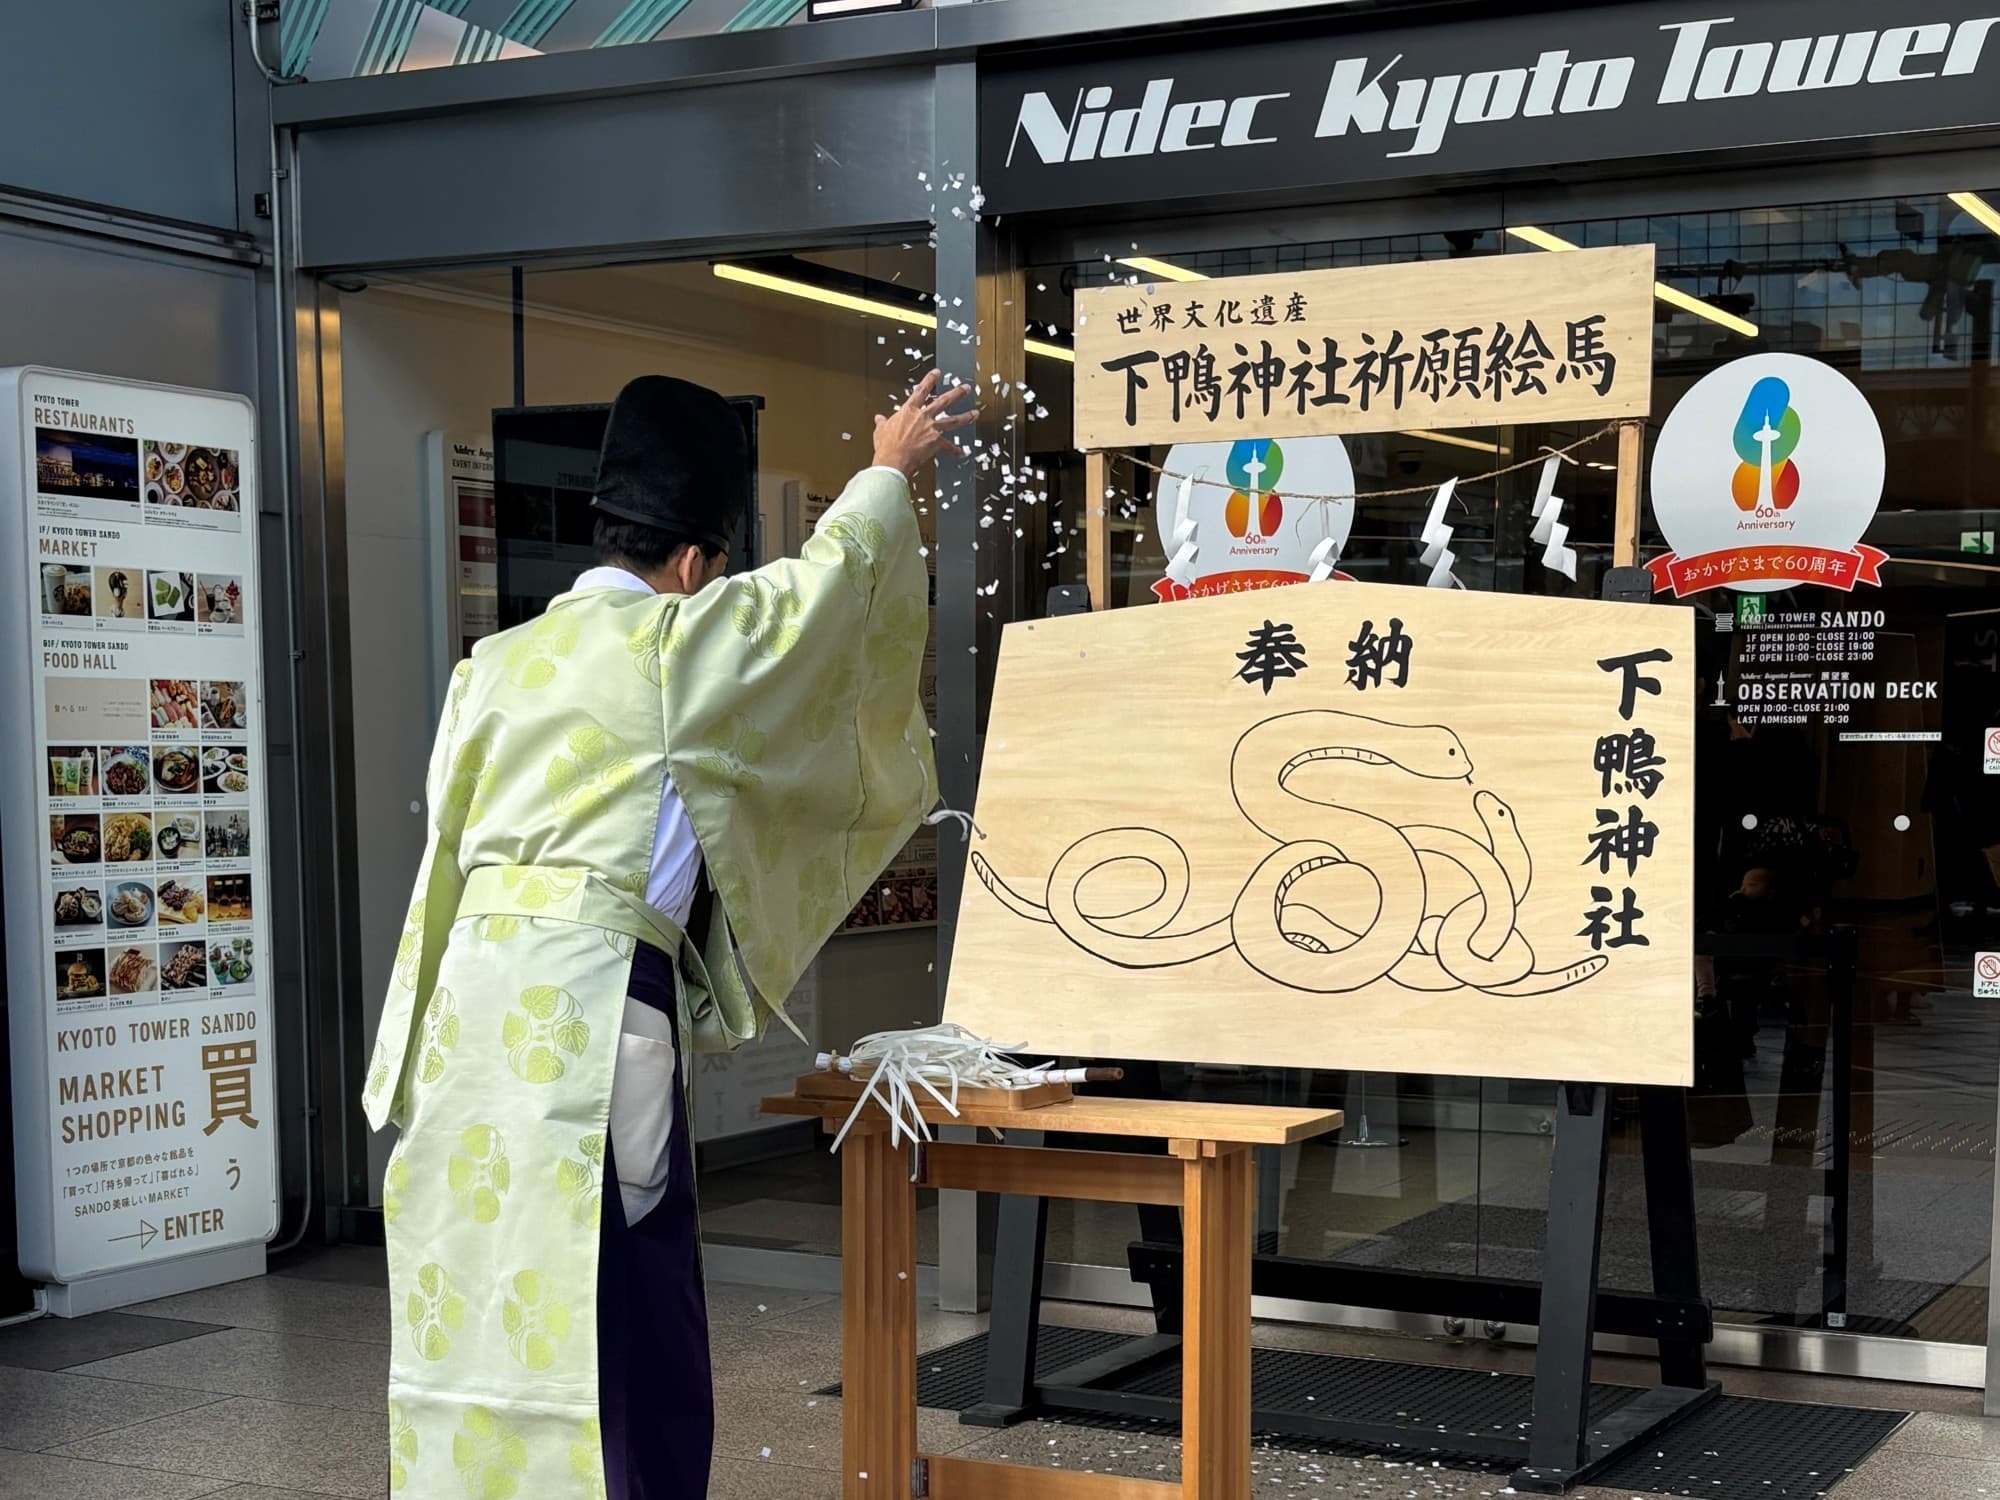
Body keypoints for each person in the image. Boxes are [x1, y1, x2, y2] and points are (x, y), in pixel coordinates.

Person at [362, 370, 974, 1499]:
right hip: (591, 1013)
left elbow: (440, 862)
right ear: (693, 563)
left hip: (465, 1024)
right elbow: (827, 591)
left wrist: (399, 1049)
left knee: (479, 1303)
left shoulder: (487, 669)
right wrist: (887, 470)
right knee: (624, 1309)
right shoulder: (674, 644)